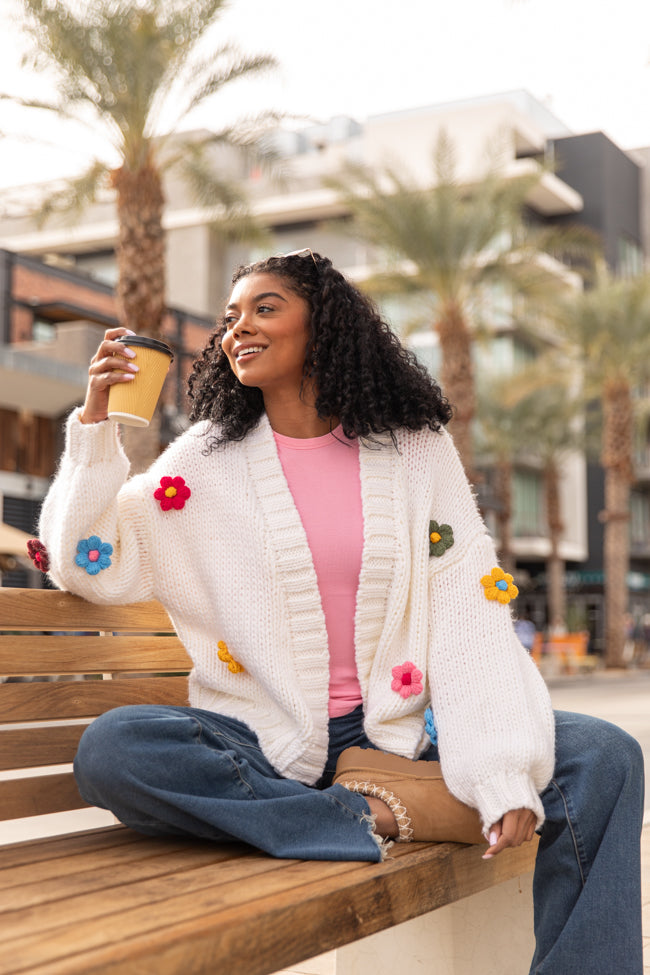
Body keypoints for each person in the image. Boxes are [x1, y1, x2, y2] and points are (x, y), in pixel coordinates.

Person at [39, 251, 644, 974]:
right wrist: (94, 424)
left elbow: (467, 606)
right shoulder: (203, 462)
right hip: (261, 743)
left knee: (606, 755)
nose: (239, 329)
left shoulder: (416, 451)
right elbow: (88, 561)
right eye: (231, 318)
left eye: (264, 308)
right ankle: (366, 813)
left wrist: (498, 764)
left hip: (395, 733)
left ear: (322, 325)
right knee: (115, 749)